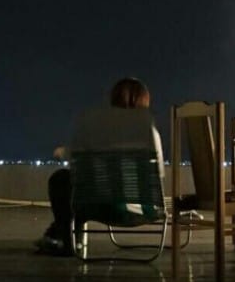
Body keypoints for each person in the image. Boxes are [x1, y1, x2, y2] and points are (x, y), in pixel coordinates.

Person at [34, 77, 151, 256]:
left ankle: (69, 241)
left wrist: (64, 152)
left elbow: (79, 161)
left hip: (107, 208)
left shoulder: (101, 131)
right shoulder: (151, 133)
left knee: (62, 180)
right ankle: (60, 236)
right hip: (145, 209)